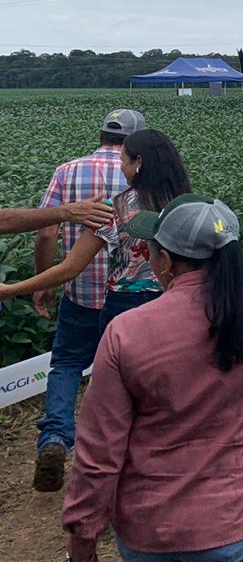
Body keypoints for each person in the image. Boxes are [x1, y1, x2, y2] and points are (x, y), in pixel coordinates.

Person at [62, 195, 243, 562]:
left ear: (164, 261)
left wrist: (83, 531)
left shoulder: (126, 333)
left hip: (149, 531)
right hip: (237, 524)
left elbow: (99, 451)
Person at [23, 109, 140, 493]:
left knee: (68, 364)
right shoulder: (141, 175)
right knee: (121, 378)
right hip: (129, 298)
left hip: (79, 291)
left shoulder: (68, 170)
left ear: (101, 134)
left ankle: (55, 437)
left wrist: (45, 283)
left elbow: (45, 232)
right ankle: (115, 458)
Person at [0, 129, 192, 336]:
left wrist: (11, 290)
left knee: (115, 363)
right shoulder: (191, 206)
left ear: (138, 162)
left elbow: (70, 268)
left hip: (125, 303)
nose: (121, 167)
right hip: (178, 298)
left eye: (123, 161)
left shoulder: (114, 209)